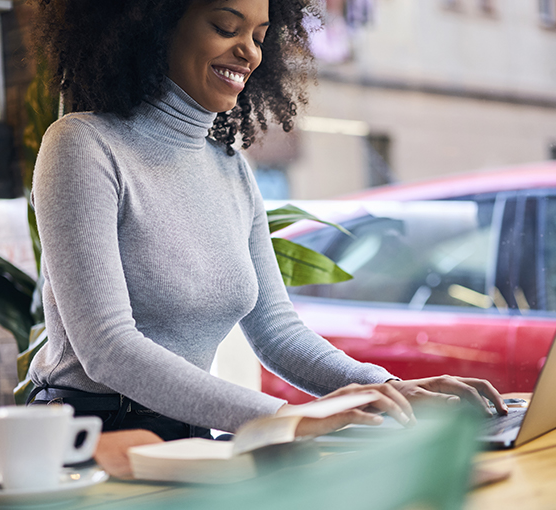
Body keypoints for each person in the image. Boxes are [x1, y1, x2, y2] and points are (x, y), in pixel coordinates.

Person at [27, 0, 507, 445]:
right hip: (94, 437)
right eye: (225, 27)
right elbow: (107, 349)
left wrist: (388, 388)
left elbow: (277, 331)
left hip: (188, 434)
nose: (248, 52)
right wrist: (289, 418)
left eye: (259, 36)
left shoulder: (228, 165)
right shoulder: (82, 146)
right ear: (153, 23)